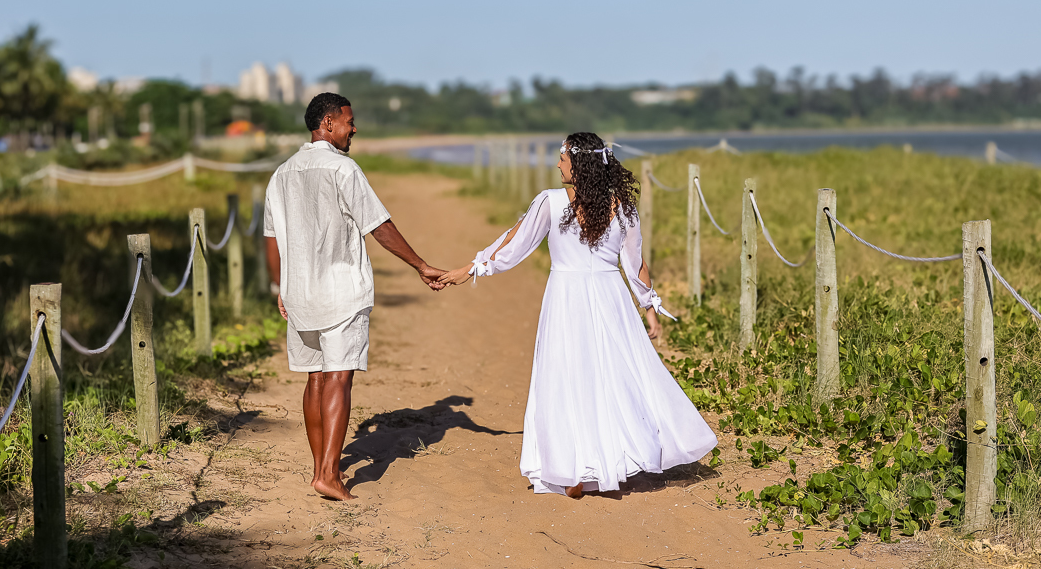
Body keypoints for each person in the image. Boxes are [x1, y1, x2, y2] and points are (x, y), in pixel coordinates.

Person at [437, 132, 717, 498]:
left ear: (579, 165)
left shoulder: (560, 202)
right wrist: (649, 307)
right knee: (604, 377)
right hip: (603, 298)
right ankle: (596, 464)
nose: (558, 164)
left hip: (574, 300)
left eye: (563, 158)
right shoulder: (612, 207)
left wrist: (471, 268)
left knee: (576, 377)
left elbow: (514, 243)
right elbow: (634, 265)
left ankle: (579, 468)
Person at [264, 92, 446, 501]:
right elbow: (378, 226)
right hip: (341, 291)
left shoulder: (282, 173)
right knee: (339, 377)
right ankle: (328, 475)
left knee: (315, 377)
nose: (354, 129)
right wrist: (420, 265)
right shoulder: (343, 168)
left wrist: (280, 287)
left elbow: (271, 238)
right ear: (328, 124)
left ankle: (320, 469)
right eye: (349, 122)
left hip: (299, 293)